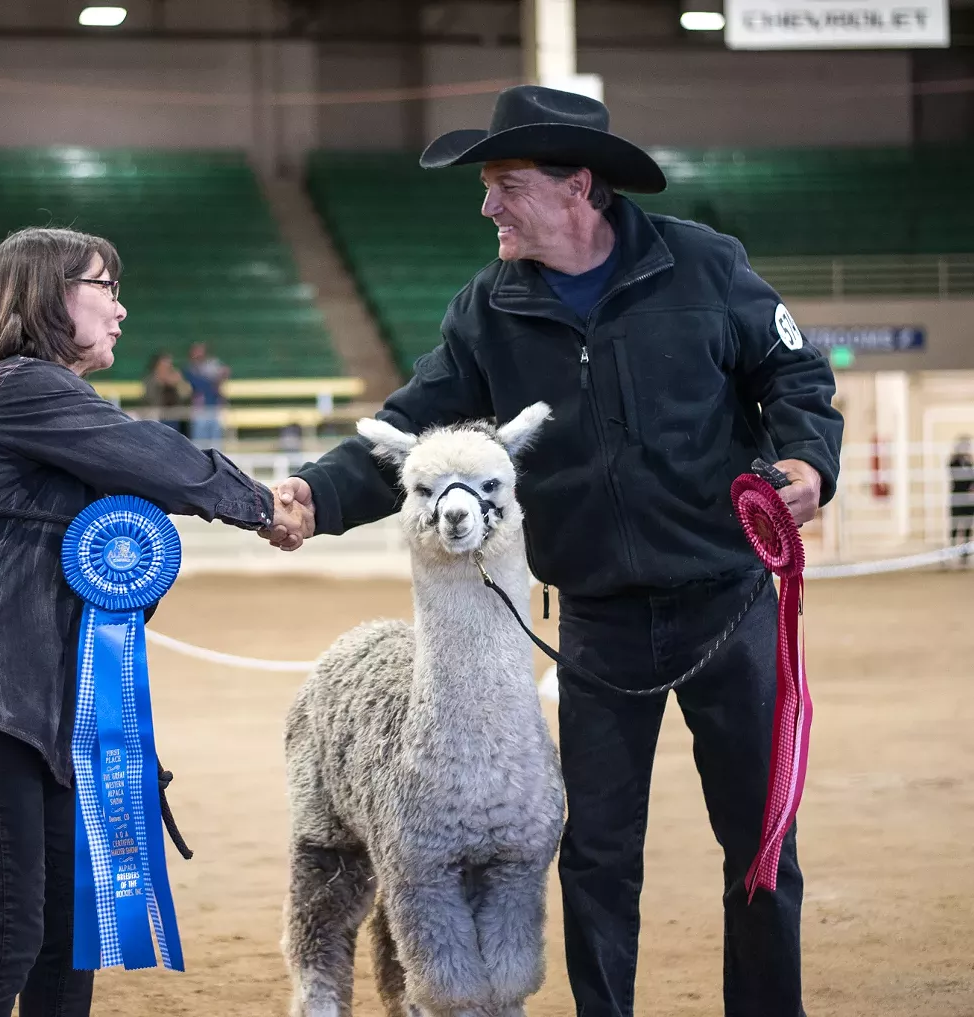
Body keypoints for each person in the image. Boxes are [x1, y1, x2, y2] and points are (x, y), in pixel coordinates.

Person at [263, 85, 843, 1017]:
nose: (487, 205)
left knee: (759, 841)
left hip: (729, 602)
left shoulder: (705, 266)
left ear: (580, 187)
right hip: (600, 622)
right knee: (599, 850)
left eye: (505, 184)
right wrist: (312, 495)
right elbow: (411, 431)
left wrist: (809, 460)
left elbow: (794, 373)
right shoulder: (487, 309)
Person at [0, 226, 288, 1017]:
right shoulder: (21, 388)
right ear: (45, 294)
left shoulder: (25, 400)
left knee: (64, 945)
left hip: (34, 711)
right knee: (3, 939)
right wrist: (265, 503)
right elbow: (153, 454)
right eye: (104, 286)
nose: (121, 307)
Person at [183, 341, 229, 446]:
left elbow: (219, 384)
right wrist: (213, 380)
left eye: (200, 352)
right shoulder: (188, 370)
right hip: (199, 410)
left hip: (213, 408)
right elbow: (197, 386)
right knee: (199, 443)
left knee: (216, 443)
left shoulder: (211, 367)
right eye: (196, 352)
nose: (199, 355)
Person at [142, 349, 190, 436]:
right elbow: (149, 398)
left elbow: (186, 394)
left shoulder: (175, 378)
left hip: (175, 417)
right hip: (157, 417)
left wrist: (179, 382)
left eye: (169, 364)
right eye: (164, 364)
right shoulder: (150, 379)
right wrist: (160, 382)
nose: (167, 367)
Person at [950, 435, 973, 567]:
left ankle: (965, 553)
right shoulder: (954, 461)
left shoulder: (970, 461)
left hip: (968, 499)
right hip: (957, 497)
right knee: (955, 525)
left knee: (967, 526)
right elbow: (956, 476)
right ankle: (951, 550)